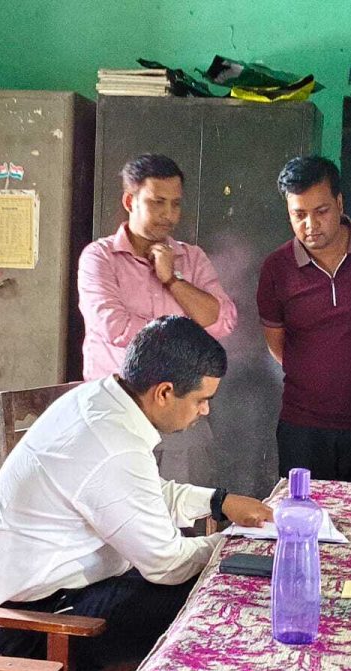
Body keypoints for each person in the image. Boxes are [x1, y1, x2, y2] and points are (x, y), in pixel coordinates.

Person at [0, 316, 271, 669]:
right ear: (164, 393)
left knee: (207, 579)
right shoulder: (112, 444)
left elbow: (140, 493)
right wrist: (232, 545)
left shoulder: (99, 398)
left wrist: (219, 501)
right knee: (211, 597)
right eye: (201, 400)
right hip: (33, 625)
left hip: (61, 592)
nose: (205, 410)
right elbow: (167, 564)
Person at [77, 154, 238, 485]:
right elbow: (114, 326)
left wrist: (173, 280)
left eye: (175, 204)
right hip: (116, 411)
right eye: (157, 202)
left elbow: (222, 321)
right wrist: (186, 336)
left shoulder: (191, 259)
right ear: (130, 201)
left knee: (188, 507)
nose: (169, 214)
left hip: (180, 413)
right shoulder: (100, 257)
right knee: (118, 508)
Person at [256, 156, 351, 482]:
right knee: (302, 509)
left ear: (339, 203)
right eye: (299, 215)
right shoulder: (277, 268)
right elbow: (278, 346)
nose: (310, 225)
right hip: (303, 427)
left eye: (321, 211)